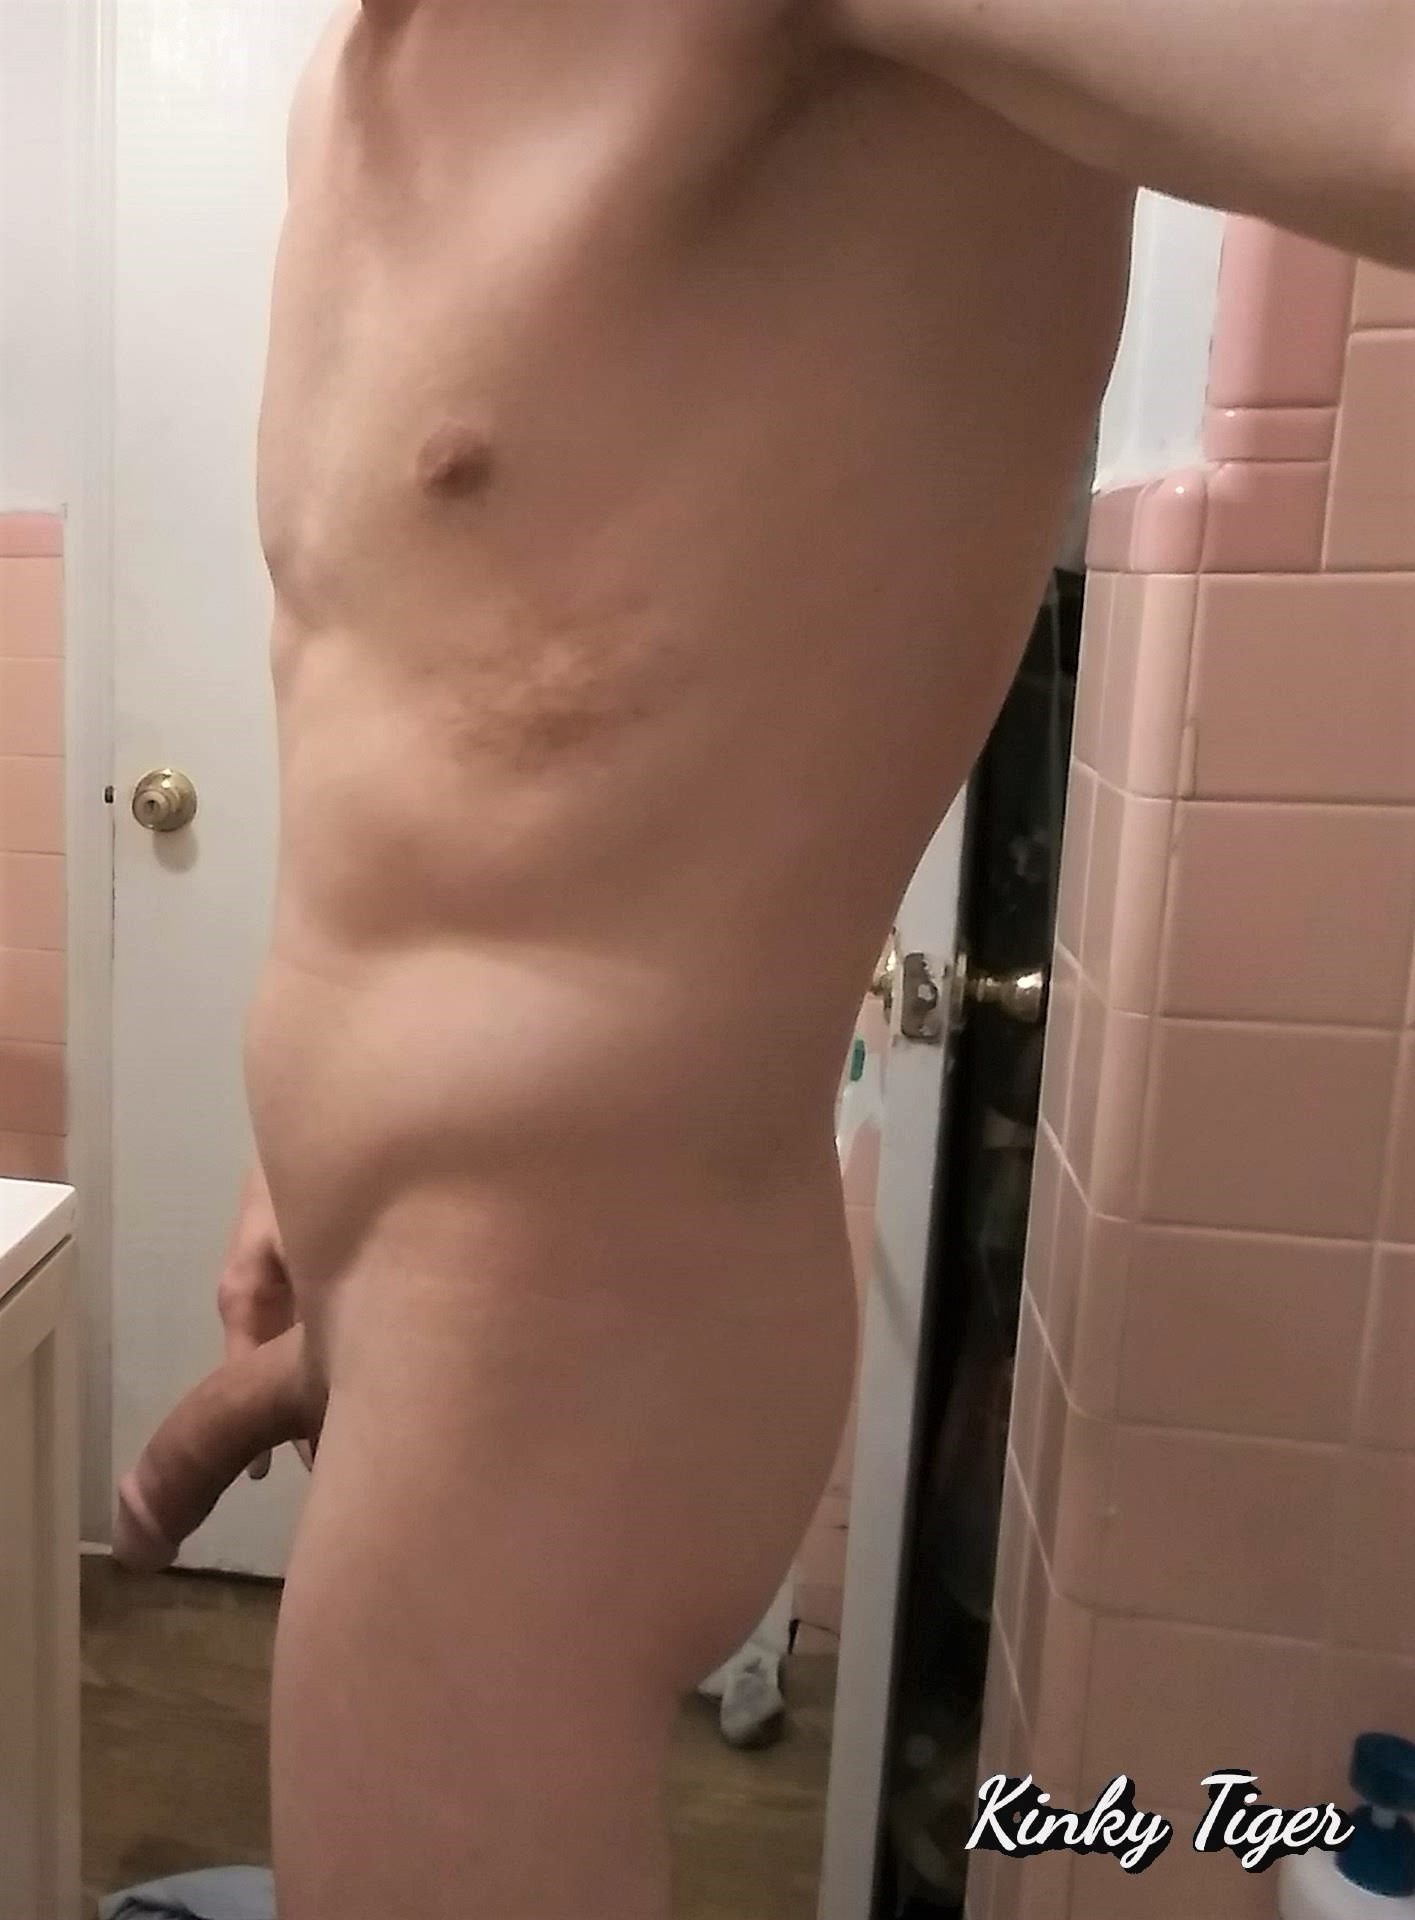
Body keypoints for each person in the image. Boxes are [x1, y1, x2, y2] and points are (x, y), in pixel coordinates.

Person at [113, 3, 1415, 1915]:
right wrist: (294, 1163)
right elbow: (428, 695)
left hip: (563, 1342)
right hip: (420, 1295)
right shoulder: (347, 86)